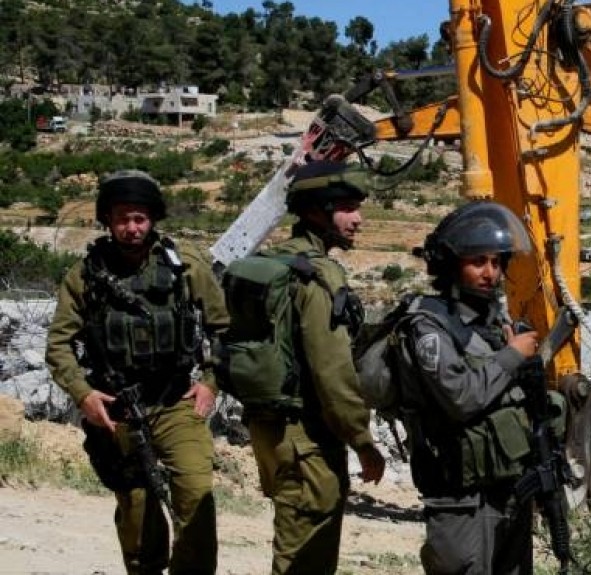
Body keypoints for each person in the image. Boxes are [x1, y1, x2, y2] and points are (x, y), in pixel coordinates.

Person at [45, 169, 227, 574]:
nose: (132, 228)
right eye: (122, 218)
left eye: (140, 218)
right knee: (137, 509)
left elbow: (225, 329)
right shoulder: (85, 276)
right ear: (107, 221)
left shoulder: (185, 267)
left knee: (196, 495)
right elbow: (58, 345)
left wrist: (211, 382)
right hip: (118, 409)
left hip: (175, 400)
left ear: (153, 219)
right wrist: (82, 394)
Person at [245, 160, 385, 574]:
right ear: (316, 212)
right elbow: (333, 373)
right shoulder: (319, 278)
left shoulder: (275, 263)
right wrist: (362, 441)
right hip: (306, 438)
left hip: (270, 430)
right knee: (305, 557)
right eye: (347, 208)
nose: (358, 219)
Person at [392, 200, 541, 574]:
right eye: (478, 262)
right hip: (460, 497)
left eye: (496, 262)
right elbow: (461, 396)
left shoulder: (492, 323)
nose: (490, 273)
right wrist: (511, 356)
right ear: (451, 265)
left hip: (507, 488)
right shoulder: (428, 325)